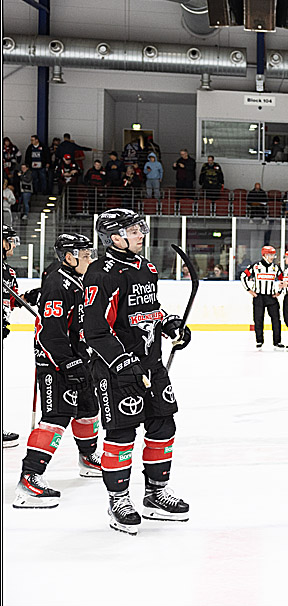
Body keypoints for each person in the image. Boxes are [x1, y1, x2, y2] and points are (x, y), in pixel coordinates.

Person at [83, 209, 191, 534]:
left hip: (150, 364)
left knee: (163, 423)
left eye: (140, 228)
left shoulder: (147, 268)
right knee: (122, 432)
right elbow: (95, 329)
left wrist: (169, 324)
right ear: (115, 238)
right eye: (133, 230)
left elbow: (148, 309)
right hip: (116, 369)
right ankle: (118, 499)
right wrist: (121, 361)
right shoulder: (100, 273)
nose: (141, 234)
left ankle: (156, 493)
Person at [13, 234, 103, 507]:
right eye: (84, 255)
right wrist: (67, 362)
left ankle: (87, 458)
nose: (90, 259)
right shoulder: (56, 283)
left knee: (88, 408)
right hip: (55, 362)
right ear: (68, 257)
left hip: (80, 356)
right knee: (57, 416)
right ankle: (30, 477)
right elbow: (50, 334)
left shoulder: (81, 279)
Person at [3, 226, 23, 447]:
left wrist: (36, 296)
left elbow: (14, 300)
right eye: (10, 240)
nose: (14, 245)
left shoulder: (8, 271)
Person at [241, 246, 284, 350]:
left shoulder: (276, 268)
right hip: (259, 297)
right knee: (258, 319)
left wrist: (279, 292)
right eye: (271, 255)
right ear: (265, 255)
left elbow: (283, 280)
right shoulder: (255, 266)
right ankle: (259, 341)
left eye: (274, 255)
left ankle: (277, 342)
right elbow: (243, 276)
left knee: (276, 320)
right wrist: (249, 290)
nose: (273, 257)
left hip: (271, 297)